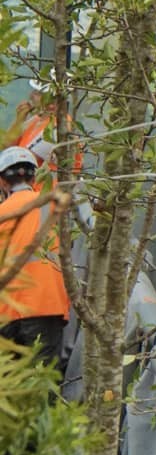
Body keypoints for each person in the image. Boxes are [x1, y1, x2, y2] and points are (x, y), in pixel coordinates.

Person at [0, 145, 70, 373]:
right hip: (45, 304)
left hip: (7, 311)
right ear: (34, 176)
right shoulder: (53, 204)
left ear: (2, 181)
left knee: (11, 389)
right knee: (43, 382)